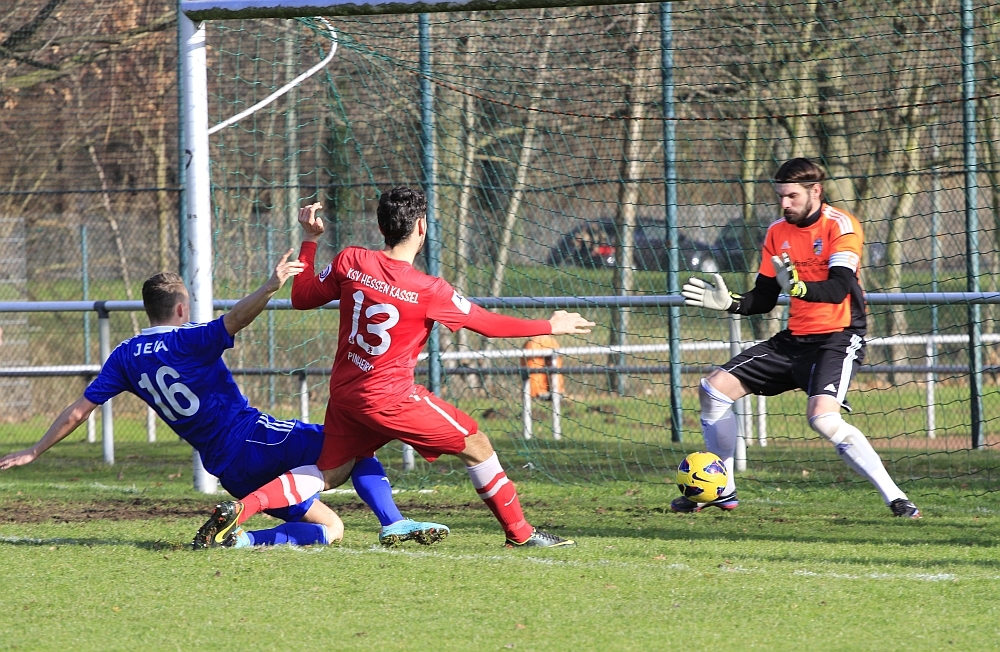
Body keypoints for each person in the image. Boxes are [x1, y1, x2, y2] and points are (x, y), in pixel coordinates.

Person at [0, 255, 448, 549]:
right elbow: (235, 318)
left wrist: (35, 450)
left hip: (226, 470)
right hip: (254, 438)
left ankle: (239, 540)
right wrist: (270, 285)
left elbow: (79, 410)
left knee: (331, 528)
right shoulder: (190, 339)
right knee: (354, 443)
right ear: (180, 309)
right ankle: (393, 521)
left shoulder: (125, 357)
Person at [287, 187, 595, 547]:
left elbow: (301, 297)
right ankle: (520, 534)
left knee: (332, 473)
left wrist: (310, 239)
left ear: (382, 226)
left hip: (346, 393)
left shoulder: (351, 260)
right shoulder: (429, 289)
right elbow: (487, 324)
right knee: (476, 443)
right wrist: (549, 326)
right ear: (422, 227)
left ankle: (249, 503)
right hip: (392, 398)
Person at [679, 157, 920, 519]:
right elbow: (763, 298)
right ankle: (722, 489)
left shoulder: (841, 225)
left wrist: (798, 287)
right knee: (713, 389)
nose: (784, 203)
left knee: (822, 418)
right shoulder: (778, 231)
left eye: (792, 196)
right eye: (780, 196)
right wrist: (732, 303)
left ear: (815, 191)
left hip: (838, 338)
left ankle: (897, 499)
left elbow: (839, 288)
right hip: (795, 339)